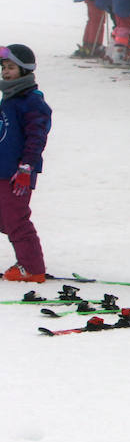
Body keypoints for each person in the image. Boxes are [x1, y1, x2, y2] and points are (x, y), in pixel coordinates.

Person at [0, 45, 51, 282]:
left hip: (17, 173)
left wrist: (26, 167)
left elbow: (36, 137)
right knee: (5, 218)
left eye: (11, 68)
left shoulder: (31, 102)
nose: (5, 72)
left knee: (15, 218)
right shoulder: (9, 99)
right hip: (2, 169)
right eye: (4, 68)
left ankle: (32, 267)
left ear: (24, 71)